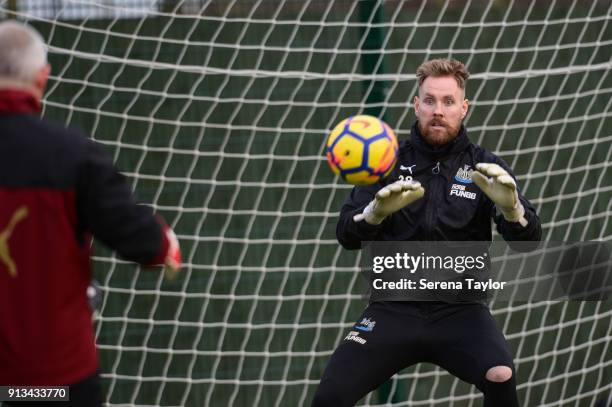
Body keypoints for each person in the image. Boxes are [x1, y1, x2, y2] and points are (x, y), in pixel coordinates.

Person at [312, 58, 542, 406]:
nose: (439, 110)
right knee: (331, 396)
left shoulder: (484, 166)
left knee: (500, 373)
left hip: (460, 311)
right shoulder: (385, 162)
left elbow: (529, 242)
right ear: (416, 104)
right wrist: (374, 213)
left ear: (464, 108)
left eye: (448, 101)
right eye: (430, 100)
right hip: (392, 309)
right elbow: (346, 234)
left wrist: (513, 209)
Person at [0, 21, 181, 406]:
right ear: (42, 77)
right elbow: (142, 242)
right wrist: (164, 244)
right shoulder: (71, 155)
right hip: (51, 378)